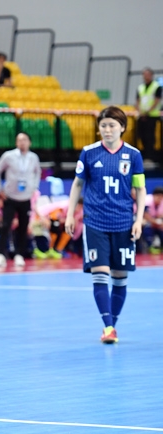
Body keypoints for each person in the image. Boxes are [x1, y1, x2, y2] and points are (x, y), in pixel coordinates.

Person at [65, 106, 146, 344]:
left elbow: (140, 190)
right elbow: (77, 185)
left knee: (120, 278)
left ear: (122, 127)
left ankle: (112, 326)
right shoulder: (89, 153)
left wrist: (139, 219)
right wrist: (71, 214)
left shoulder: (133, 155)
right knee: (100, 274)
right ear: (98, 129)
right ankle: (108, 327)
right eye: (103, 126)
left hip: (123, 223)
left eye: (112, 125)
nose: (107, 130)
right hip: (95, 222)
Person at [0, 132, 42, 267]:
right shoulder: (9, 156)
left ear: (29, 142)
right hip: (10, 197)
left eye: (25, 140)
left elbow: (38, 172)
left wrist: (34, 188)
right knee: (6, 226)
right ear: (16, 143)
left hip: (25, 198)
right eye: (19, 140)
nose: (22, 143)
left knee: (23, 228)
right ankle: (1, 255)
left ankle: (19, 254)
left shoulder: (33, 157)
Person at [135, 68, 161, 162]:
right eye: (144, 74)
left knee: (150, 136)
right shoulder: (140, 87)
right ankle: (144, 155)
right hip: (142, 115)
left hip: (152, 115)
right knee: (141, 135)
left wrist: (148, 111)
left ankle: (151, 157)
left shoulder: (156, 86)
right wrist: (140, 111)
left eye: (147, 74)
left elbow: (157, 100)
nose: (146, 76)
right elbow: (137, 101)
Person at [143, 185, 163, 253]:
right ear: (154, 195)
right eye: (158, 196)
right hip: (145, 221)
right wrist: (154, 222)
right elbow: (145, 215)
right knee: (147, 226)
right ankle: (150, 246)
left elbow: (160, 215)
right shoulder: (147, 200)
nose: (160, 199)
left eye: (161, 197)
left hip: (156, 221)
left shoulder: (162, 202)